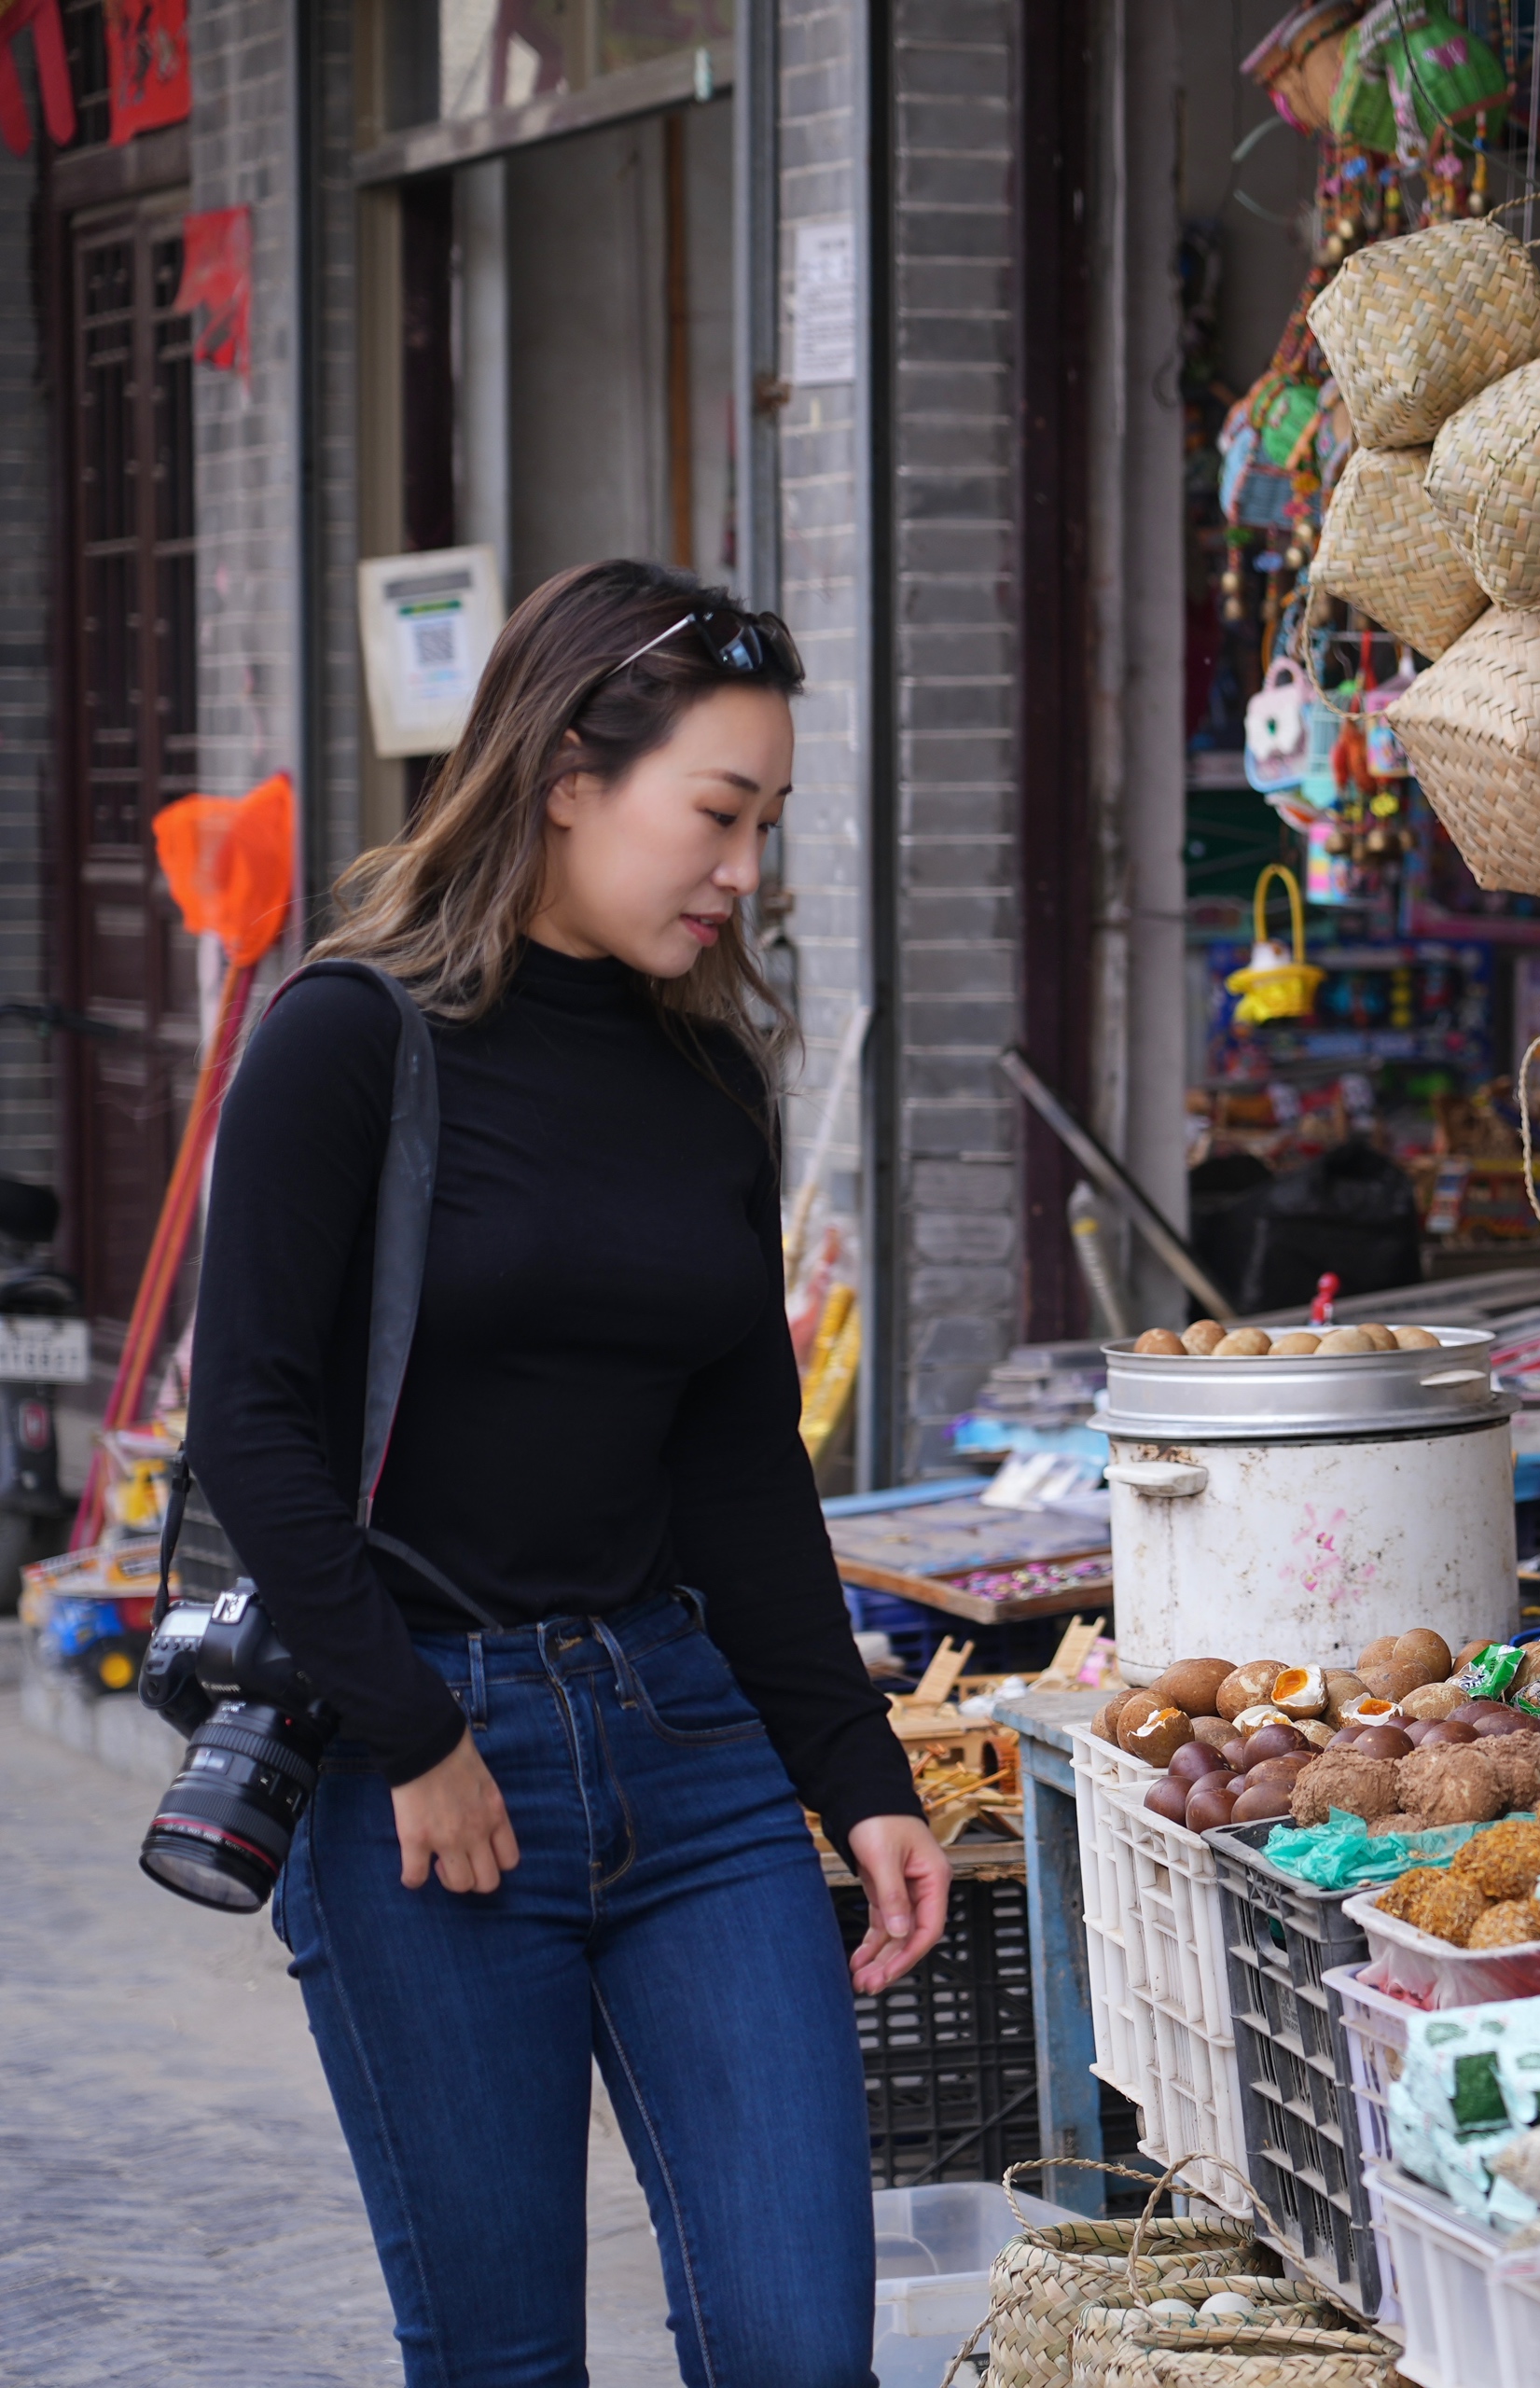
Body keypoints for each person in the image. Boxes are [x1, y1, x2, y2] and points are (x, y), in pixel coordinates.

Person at [191, 558, 946, 2386]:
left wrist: (860, 1775)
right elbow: (253, 1427)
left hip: (687, 1757)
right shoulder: (347, 1039)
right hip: (427, 1768)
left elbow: (742, 1468)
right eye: (719, 812)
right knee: (506, 2356)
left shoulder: (708, 1078)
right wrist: (412, 1735)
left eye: (764, 821)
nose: (745, 870)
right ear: (567, 775)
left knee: (794, 2348)